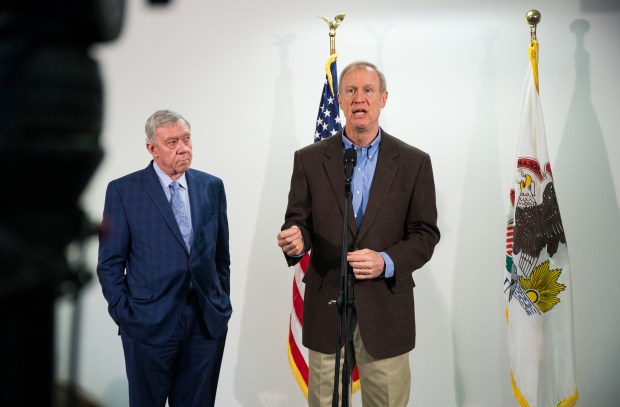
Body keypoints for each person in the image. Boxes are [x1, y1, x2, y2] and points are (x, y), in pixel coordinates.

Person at [277, 61, 440, 407]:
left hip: (386, 309)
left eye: (368, 90)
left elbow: (425, 234)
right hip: (327, 308)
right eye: (351, 90)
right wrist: (296, 238)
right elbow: (299, 221)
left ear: (383, 99)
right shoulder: (309, 160)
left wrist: (386, 261)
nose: (359, 98)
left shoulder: (414, 162)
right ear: (340, 99)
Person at [97, 110, 231, 407]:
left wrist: (221, 303)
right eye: (172, 142)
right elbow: (109, 263)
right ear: (151, 148)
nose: (183, 148)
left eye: (186, 139)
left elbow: (221, 257)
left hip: (205, 324)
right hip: (147, 324)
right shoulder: (123, 191)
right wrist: (125, 314)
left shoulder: (212, 187)